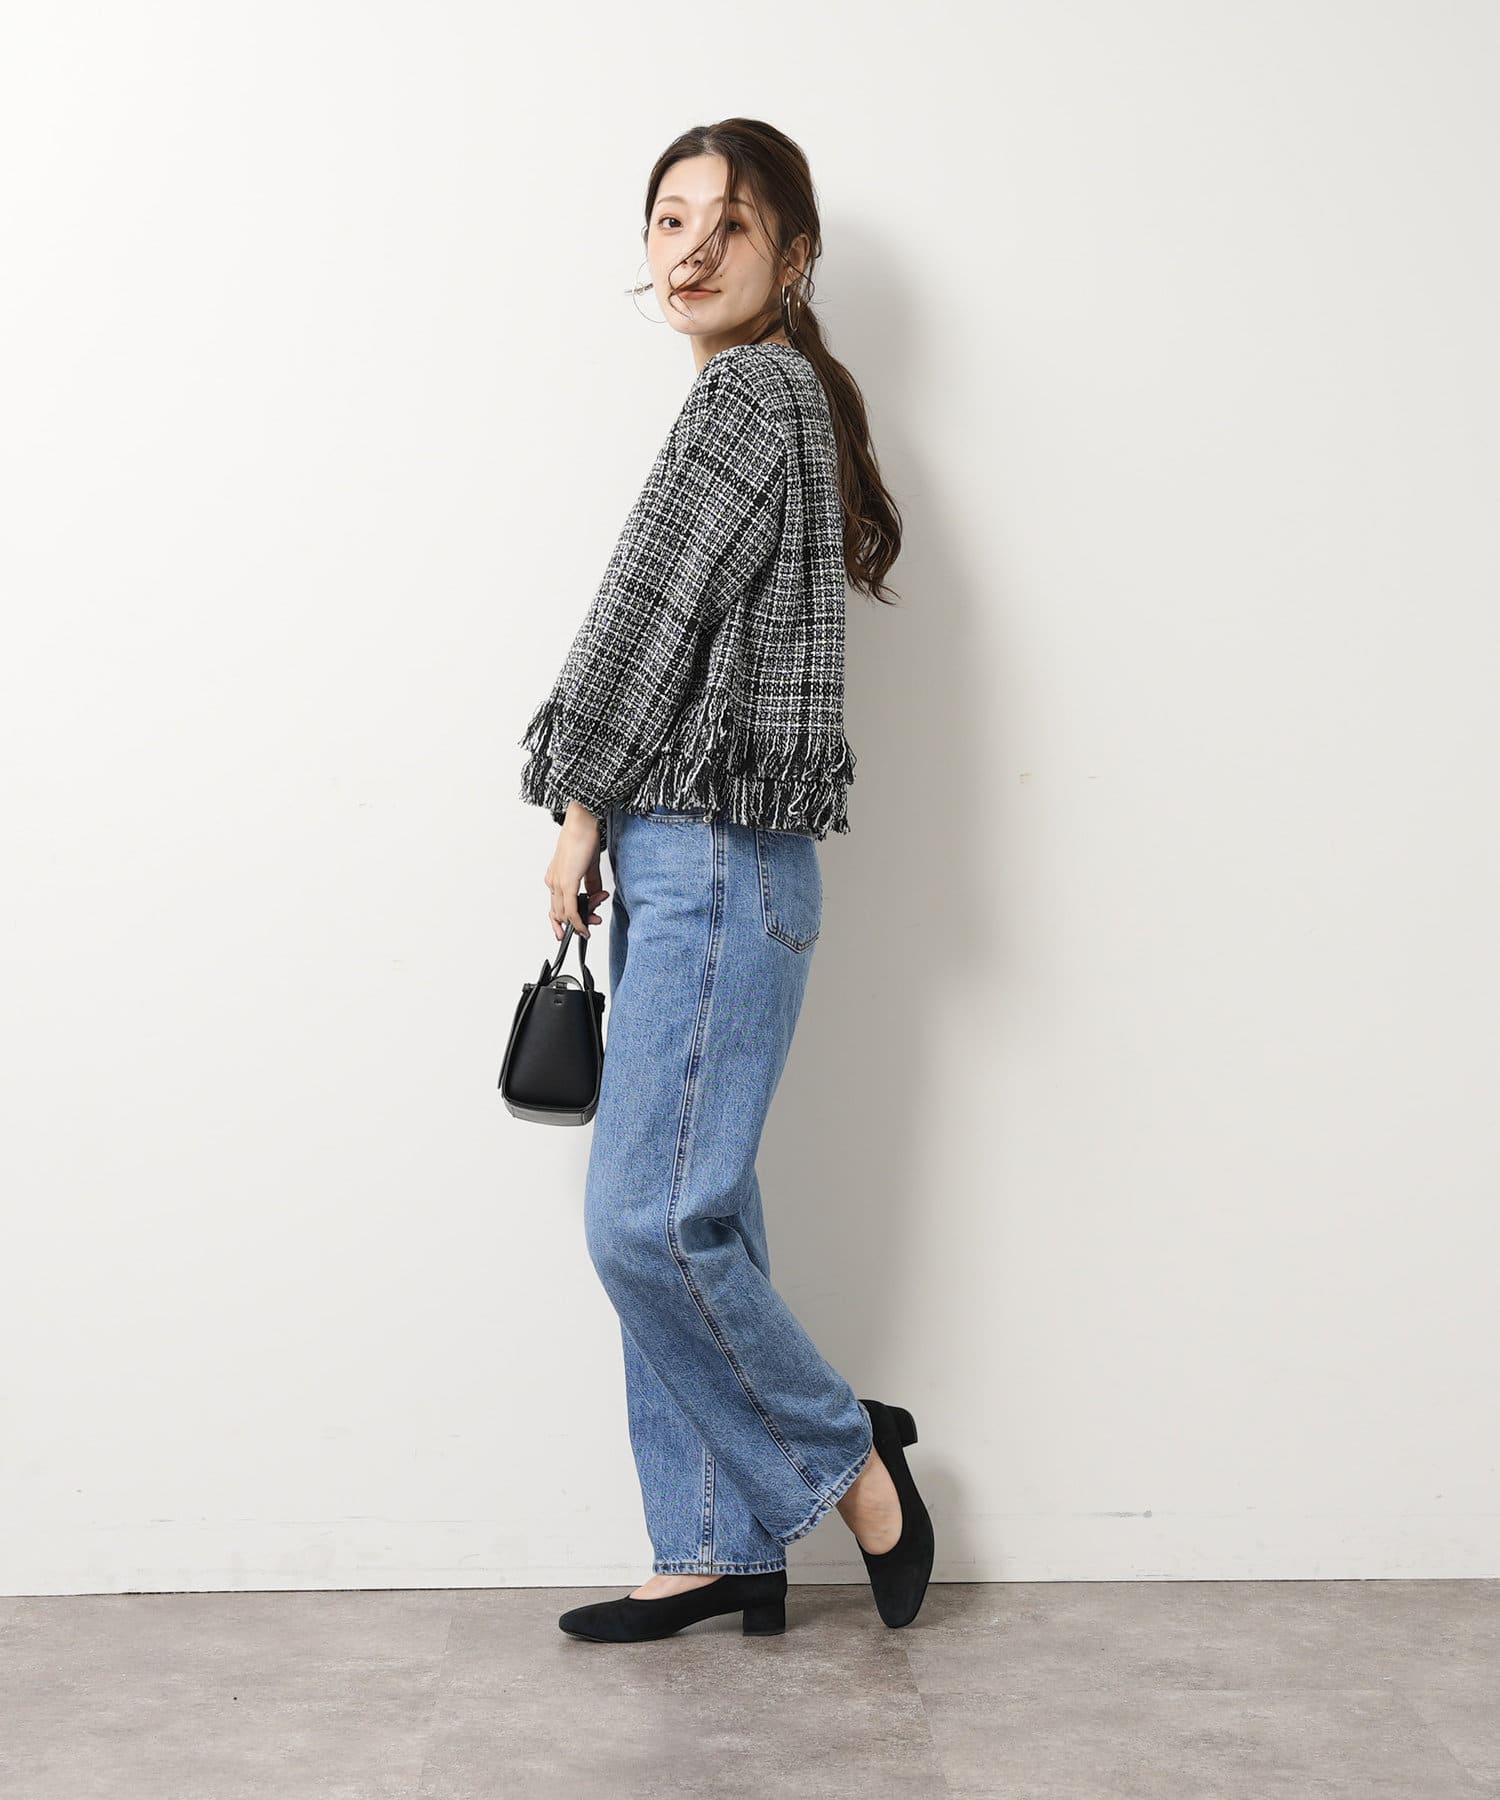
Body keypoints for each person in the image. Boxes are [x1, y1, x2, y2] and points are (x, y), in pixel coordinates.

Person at [518, 118, 933, 1641]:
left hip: (708, 854)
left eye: (731, 224)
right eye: (668, 220)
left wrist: (579, 809)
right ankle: (712, 1547)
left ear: (793, 255)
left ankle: (848, 1458)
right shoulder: (770, 395)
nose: (691, 250)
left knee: (650, 1225)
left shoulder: (749, 396)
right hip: (708, 857)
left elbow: (647, 622)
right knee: (706, 1219)